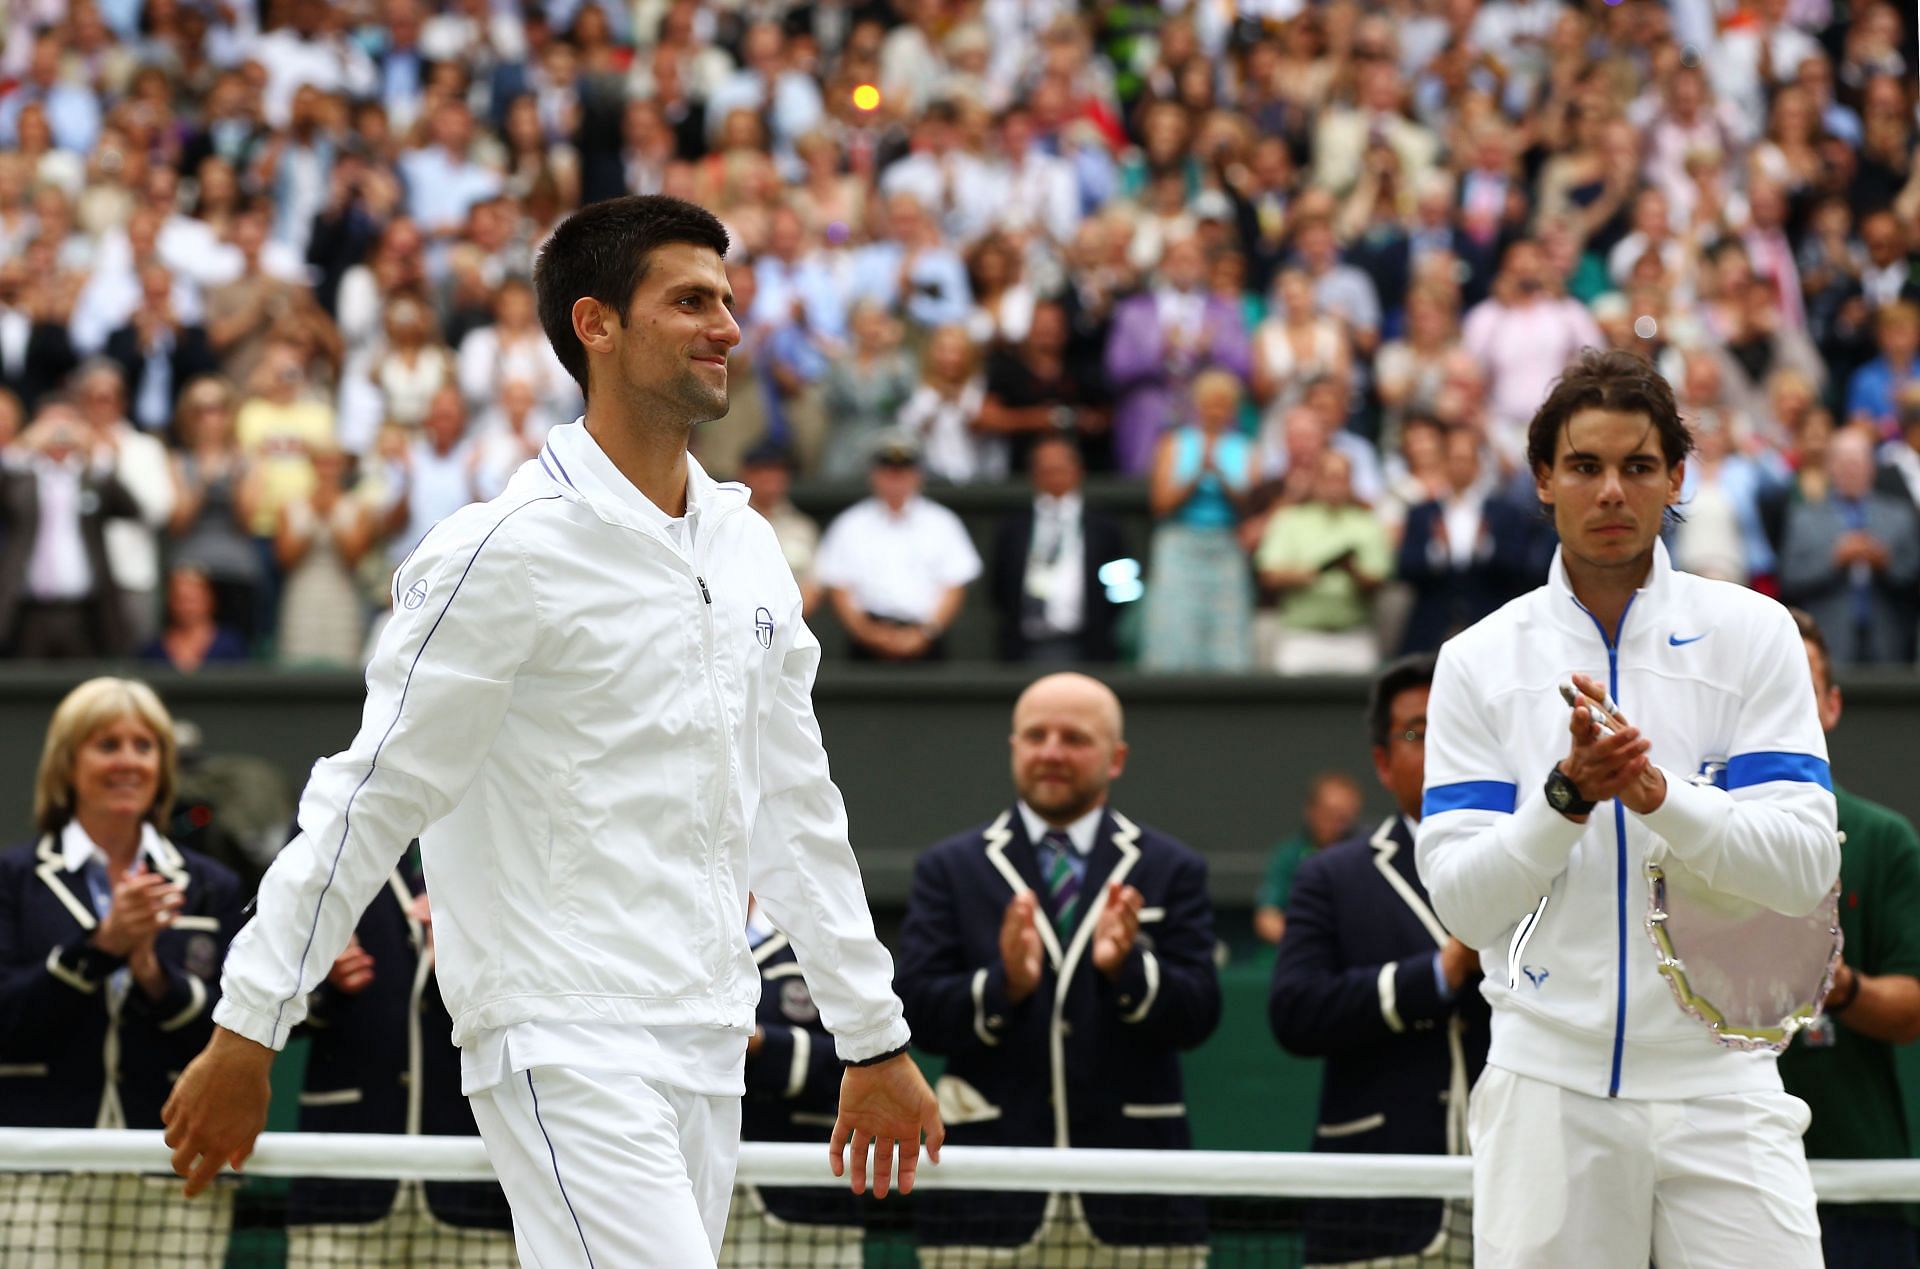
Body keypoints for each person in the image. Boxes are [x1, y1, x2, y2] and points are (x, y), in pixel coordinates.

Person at [160, 195, 942, 1268]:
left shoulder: (748, 546)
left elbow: (798, 808)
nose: (727, 325)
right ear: (597, 325)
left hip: (711, 1042)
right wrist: (251, 1022)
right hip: (559, 1034)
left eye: (728, 298)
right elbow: (372, 792)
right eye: (690, 300)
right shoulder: (500, 551)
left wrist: (873, 1035)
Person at [1416, 349, 1839, 1267]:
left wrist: (1659, 796)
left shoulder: (1757, 632)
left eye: (1638, 466)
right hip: (1544, 1086)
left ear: (1676, 478)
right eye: (1585, 465)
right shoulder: (1476, 659)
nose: (1612, 491)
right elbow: (1463, 904)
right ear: (1543, 480)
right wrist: (1566, 798)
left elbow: (1807, 864)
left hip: (1725, 1083)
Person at [895, 672, 1221, 1266]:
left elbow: (1199, 1013)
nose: (1051, 751)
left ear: (1115, 758)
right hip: (989, 1206)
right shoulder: (951, 868)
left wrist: (1129, 970)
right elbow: (917, 1010)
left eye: (1074, 738)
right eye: (1036, 735)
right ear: (1014, 747)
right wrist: (1004, 987)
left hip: (1137, 1202)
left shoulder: (1171, 867)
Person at [0, 678, 245, 1264]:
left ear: (163, 765)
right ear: (67, 763)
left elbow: (229, 1032)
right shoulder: (13, 878)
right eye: (107, 744)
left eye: (144, 746)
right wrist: (100, 948)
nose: (128, 762)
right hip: (38, 1169)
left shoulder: (212, 885)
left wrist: (155, 978)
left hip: (175, 1166)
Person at [1270, 654, 1489, 1265]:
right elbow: (1295, 1013)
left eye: (1458, 723)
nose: (1442, 745)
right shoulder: (1331, 875)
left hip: (1519, 1200)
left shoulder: (1540, 859)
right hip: (1375, 1212)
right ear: (1382, 761)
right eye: (1418, 731)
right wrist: (1437, 975)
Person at [285, 859, 517, 1268]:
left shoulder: (507, 841)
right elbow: (256, 990)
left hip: (479, 1184)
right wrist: (322, 982)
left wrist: (477, 951)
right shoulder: (325, 830)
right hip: (345, 1185)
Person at [1778, 608, 1920, 1268]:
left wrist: (1836, 982)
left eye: (1798, 685)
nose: (1782, 704)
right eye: (1766, 682)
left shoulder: (1884, 838)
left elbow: (1912, 1008)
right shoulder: (1687, 834)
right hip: (1714, 1171)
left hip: (1862, 1188)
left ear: (1832, 705)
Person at [719, 898, 865, 1268]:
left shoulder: (818, 929)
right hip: (689, 1179)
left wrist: (763, 1044)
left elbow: (864, 1057)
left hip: (802, 1200)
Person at [814, 432, 982, 664]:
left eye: (903, 472)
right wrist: (868, 633)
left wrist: (925, 633)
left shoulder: (943, 523)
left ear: (918, 475)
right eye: (888, 472)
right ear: (874, 475)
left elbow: (954, 585)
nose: (895, 479)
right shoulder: (850, 524)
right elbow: (838, 586)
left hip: (928, 642)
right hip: (864, 647)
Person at [987, 433, 1127, 664]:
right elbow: (998, 589)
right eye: (1045, 470)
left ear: (1078, 471)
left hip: (1090, 648)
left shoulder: (1105, 528)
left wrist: (1103, 625)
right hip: (1024, 649)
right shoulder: (1012, 528)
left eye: (1060, 469)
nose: (1053, 477)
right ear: (1033, 475)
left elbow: (1123, 589)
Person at [1252, 771, 1364, 945]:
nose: (1335, 823)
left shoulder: (1364, 857)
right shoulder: (1288, 856)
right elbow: (1267, 920)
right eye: (1328, 813)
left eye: (1343, 817)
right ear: (1310, 810)